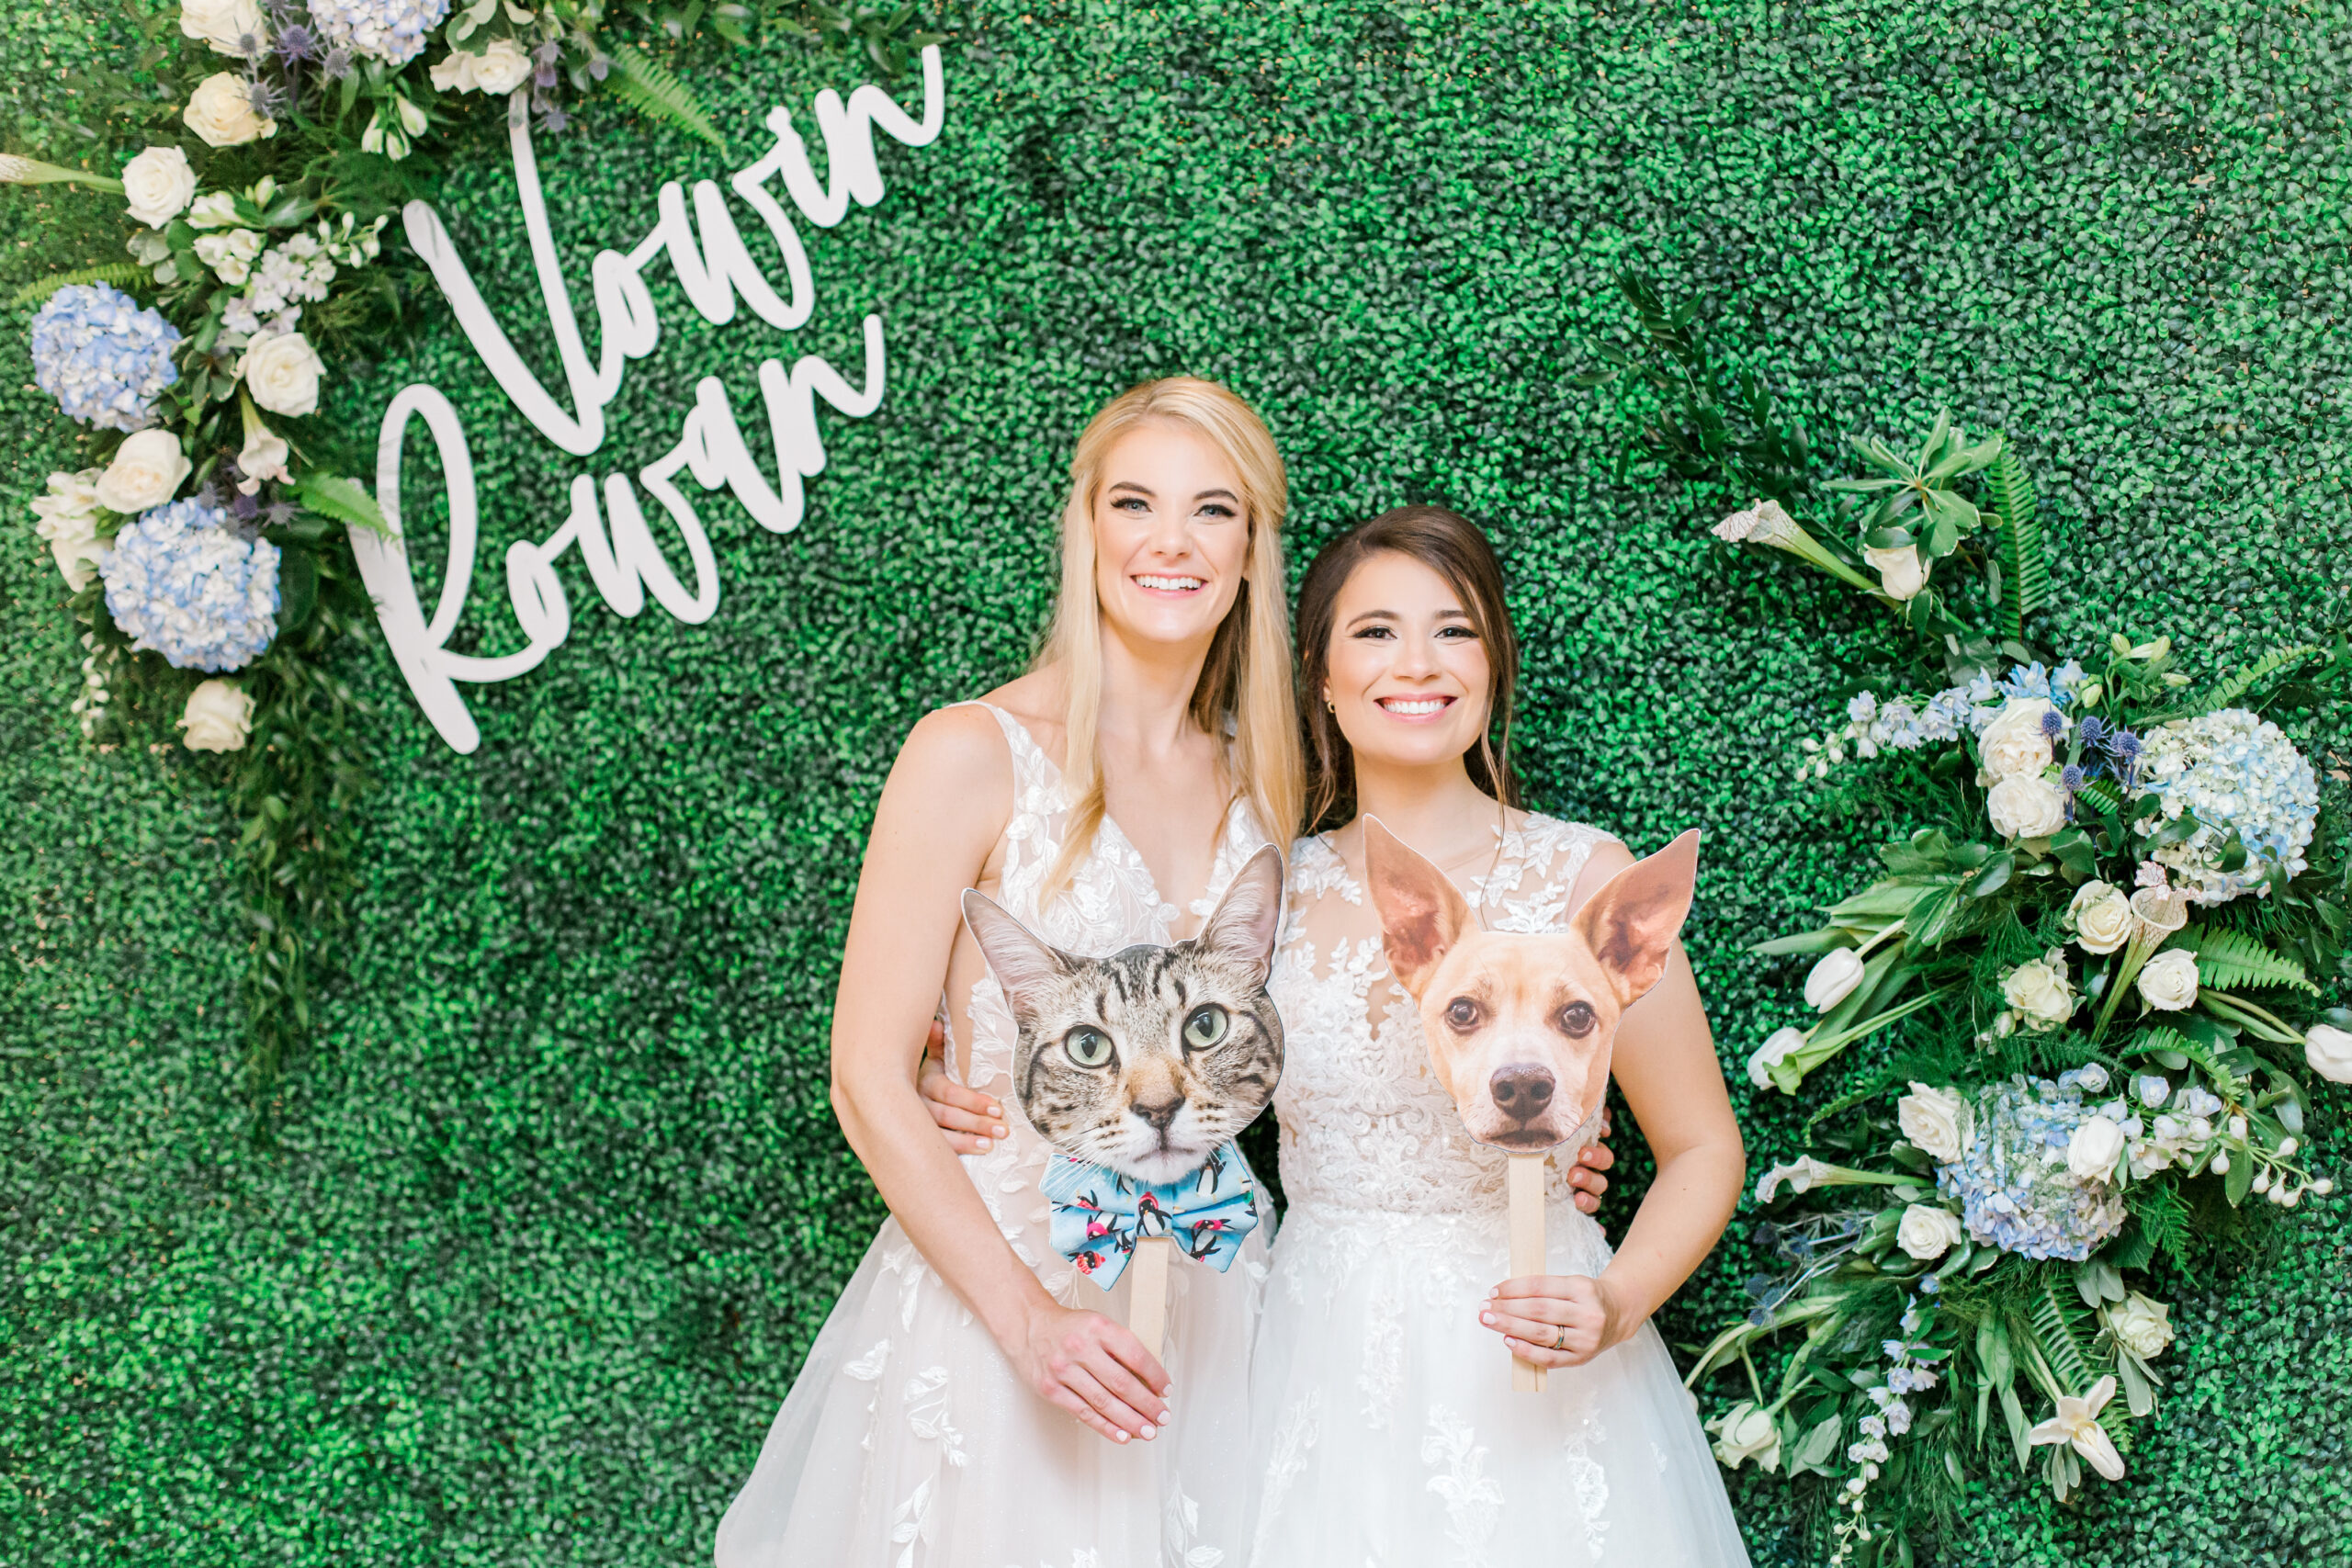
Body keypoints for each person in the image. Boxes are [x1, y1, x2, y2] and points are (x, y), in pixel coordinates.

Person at [714, 376, 1303, 1566]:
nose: (1171, 540)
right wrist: (1032, 1324)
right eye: (1135, 502)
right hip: (1003, 1309)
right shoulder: (969, 753)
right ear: (1085, 528)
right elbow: (870, 1074)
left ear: (1252, 549)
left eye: (1213, 509)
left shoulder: (1268, 790)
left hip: (1217, 1315)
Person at [1242, 506, 1750, 1564]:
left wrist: (1613, 1303)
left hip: (1543, 1350)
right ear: (1321, 677)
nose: (1416, 663)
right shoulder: (1265, 891)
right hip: (1314, 1356)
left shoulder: (1586, 874)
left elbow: (1703, 1147)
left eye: (1455, 630)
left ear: (1495, 662)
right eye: (1375, 632)